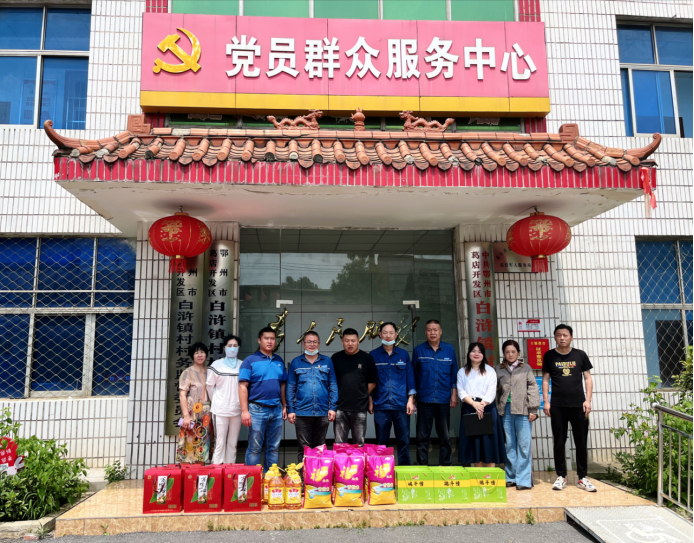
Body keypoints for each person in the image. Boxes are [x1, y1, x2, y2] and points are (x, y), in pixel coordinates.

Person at [542, 324, 596, 492]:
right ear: (555, 337)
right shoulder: (549, 355)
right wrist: (546, 402)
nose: (562, 338)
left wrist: (588, 400)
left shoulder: (580, 355)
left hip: (579, 405)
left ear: (571, 337)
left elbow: (587, 378)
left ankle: (582, 477)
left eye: (565, 335)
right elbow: (545, 380)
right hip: (558, 406)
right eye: (559, 335)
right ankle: (561, 476)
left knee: (581, 441)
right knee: (559, 441)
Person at [239, 327, 288, 471]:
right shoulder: (249, 361)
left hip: (276, 409)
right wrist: (244, 411)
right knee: (255, 447)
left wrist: (285, 406)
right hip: (257, 409)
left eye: (272, 338)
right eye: (266, 338)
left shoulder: (279, 361)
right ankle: (252, 479)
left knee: (273, 447)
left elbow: (282, 385)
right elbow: (242, 386)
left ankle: (270, 478)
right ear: (259, 340)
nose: (269, 341)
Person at [286, 331, 338, 464]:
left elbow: (333, 385)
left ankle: (318, 474)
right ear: (303, 344)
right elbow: (291, 387)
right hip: (302, 412)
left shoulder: (327, 361)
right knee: (304, 448)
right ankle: (304, 475)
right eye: (309, 342)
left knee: (320, 447)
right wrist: (291, 409)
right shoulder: (296, 362)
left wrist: (332, 408)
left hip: (322, 411)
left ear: (319, 343)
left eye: (315, 342)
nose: (312, 344)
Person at [413, 319, 458, 466]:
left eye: (435, 330)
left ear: (441, 332)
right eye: (429, 330)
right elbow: (413, 375)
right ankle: (422, 466)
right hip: (424, 400)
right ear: (425, 332)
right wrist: (412, 397)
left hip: (443, 399)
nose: (432, 332)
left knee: (444, 436)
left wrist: (454, 394)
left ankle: (445, 466)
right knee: (422, 436)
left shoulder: (449, 349)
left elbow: (454, 374)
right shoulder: (418, 350)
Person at [370, 322, 416, 465]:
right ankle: (381, 471)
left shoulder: (403, 354)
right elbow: (369, 380)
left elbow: (410, 378)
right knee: (381, 442)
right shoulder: (373, 355)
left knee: (404, 440)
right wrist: (370, 400)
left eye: (391, 333)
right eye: (385, 333)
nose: (388, 336)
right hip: (381, 404)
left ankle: (405, 471)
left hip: (401, 404)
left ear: (396, 334)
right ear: (380, 335)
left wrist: (411, 400)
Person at [496, 340, 540, 490]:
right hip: (505, 411)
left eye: (513, 352)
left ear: (518, 353)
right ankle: (511, 477)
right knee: (509, 445)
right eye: (507, 352)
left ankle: (524, 480)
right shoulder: (498, 369)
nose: (510, 355)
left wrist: (533, 409)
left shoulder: (526, 368)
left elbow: (533, 387)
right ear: (503, 353)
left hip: (523, 410)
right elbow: (495, 390)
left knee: (524, 445)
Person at [456, 342, 506, 466]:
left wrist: (481, 405)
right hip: (469, 408)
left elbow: (492, 391)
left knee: (489, 443)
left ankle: (490, 474)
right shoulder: (462, 372)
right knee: (474, 444)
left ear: (483, 354)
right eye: (473, 351)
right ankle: (478, 474)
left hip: (487, 408)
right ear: (469, 353)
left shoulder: (490, 371)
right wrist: (474, 404)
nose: (476, 354)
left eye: (479, 351)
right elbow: (461, 391)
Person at [331, 328, 378, 446]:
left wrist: (363, 395)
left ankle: (358, 460)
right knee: (340, 444)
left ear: (358, 341)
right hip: (340, 407)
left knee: (359, 443)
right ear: (342, 341)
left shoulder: (366, 358)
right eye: (347, 341)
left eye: (353, 340)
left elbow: (372, 382)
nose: (350, 343)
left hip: (359, 407)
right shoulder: (335, 358)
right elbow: (331, 381)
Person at [206, 334, 243, 464]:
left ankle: (230, 471)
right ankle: (217, 471)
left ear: (238, 348)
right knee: (219, 443)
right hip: (220, 410)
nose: (232, 348)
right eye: (230, 346)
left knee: (233, 443)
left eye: (235, 346)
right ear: (224, 348)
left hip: (237, 410)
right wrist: (217, 401)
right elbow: (210, 386)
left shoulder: (242, 365)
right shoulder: (216, 365)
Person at [177, 342, 214, 463]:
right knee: (188, 447)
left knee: (203, 448)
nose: (200, 355)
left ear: (206, 354)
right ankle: (186, 473)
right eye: (196, 353)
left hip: (207, 417)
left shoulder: (210, 372)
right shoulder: (187, 372)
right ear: (192, 356)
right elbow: (182, 395)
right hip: (191, 415)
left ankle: (200, 473)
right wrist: (186, 416)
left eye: (202, 352)